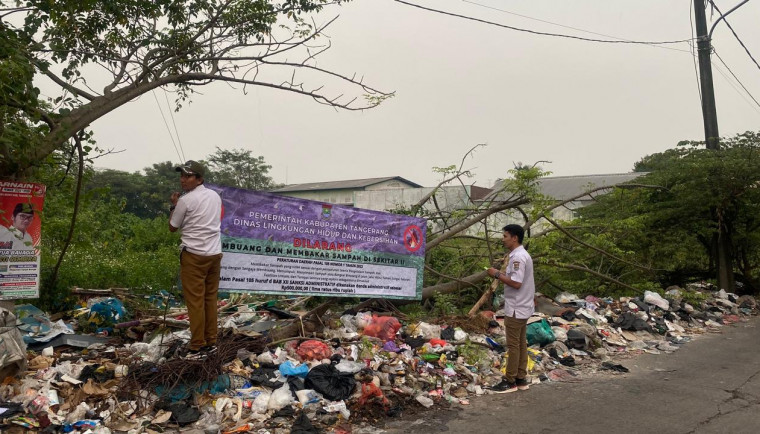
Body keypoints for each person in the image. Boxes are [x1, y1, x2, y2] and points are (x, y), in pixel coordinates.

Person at [169, 160, 223, 358]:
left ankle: (197, 345)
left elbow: (173, 226)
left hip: (194, 255)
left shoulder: (185, 200)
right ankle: (211, 341)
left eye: (188, 176)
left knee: (195, 302)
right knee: (210, 299)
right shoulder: (215, 196)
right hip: (214, 255)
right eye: (182, 176)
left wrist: (173, 206)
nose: (183, 180)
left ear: (199, 179)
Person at [487, 224, 535, 393]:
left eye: (505, 236)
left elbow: (516, 283)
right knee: (521, 343)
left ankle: (510, 381)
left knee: (513, 345)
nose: (503, 239)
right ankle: (521, 378)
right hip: (523, 306)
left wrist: (496, 274)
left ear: (515, 238)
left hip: (516, 307)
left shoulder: (518, 258)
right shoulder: (521, 255)